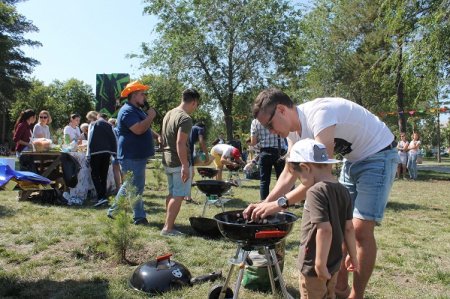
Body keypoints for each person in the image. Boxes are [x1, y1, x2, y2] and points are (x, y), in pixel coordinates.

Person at [243, 88, 398, 299]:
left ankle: (356, 295)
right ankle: (340, 290)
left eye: (269, 125)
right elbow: (290, 171)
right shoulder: (292, 133)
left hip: (378, 154)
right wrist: (265, 203)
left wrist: (278, 204)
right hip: (352, 160)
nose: (270, 131)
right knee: (339, 224)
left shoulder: (319, 115)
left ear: (281, 110)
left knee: (360, 230)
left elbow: (318, 178)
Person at [287, 139, 358, 298]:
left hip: (314, 264)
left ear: (305, 167)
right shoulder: (343, 190)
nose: (301, 182)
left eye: (299, 177)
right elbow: (349, 228)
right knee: (329, 295)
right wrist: (352, 256)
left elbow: (325, 230)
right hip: (334, 262)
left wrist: (319, 263)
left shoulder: (314, 191)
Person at [107, 81, 157, 225]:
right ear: (134, 95)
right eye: (142, 94)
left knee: (131, 185)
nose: (145, 97)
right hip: (131, 155)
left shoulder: (136, 110)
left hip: (136, 155)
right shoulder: (127, 110)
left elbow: (145, 127)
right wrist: (151, 116)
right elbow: (138, 129)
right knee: (133, 186)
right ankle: (139, 217)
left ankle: (114, 211)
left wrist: (156, 136)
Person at [160, 88, 201, 236]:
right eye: (197, 105)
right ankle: (168, 229)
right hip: (178, 161)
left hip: (168, 160)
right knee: (178, 195)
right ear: (194, 102)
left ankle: (168, 223)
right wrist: (185, 165)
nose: (195, 108)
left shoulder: (169, 114)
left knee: (172, 193)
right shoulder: (185, 118)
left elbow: (162, 139)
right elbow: (180, 143)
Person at [250, 118, 287, 201]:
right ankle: (282, 201)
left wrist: (262, 142)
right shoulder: (276, 117)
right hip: (279, 152)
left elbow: (253, 142)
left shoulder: (255, 122)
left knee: (264, 181)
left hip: (264, 152)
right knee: (281, 179)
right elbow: (286, 134)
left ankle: (264, 202)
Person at [87, 113, 117, 207]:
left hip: (96, 152)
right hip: (107, 152)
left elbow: (89, 139)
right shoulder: (109, 125)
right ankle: (103, 196)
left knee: (95, 175)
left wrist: (88, 154)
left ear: (97, 117)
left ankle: (101, 197)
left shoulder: (93, 124)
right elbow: (113, 138)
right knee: (103, 175)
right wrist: (114, 152)